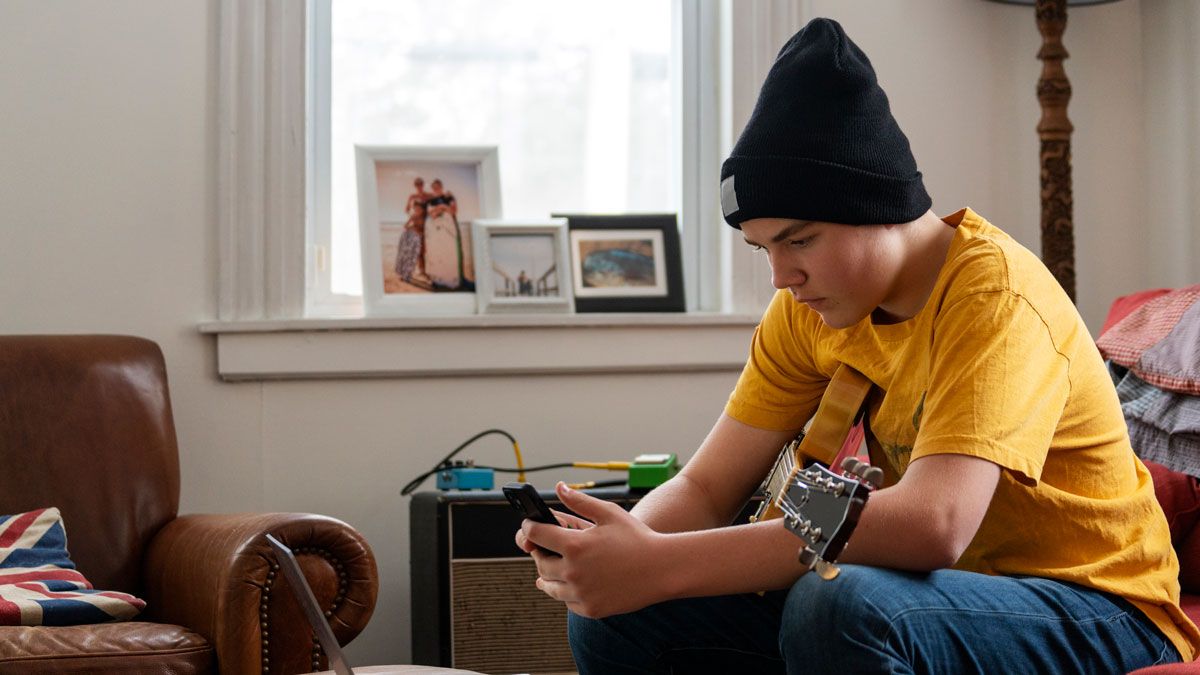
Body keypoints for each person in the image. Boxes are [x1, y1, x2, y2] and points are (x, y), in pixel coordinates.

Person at [514, 18, 1200, 674]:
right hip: (936, 594)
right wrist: (617, 552)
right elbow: (705, 486)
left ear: (879, 207)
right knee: (618, 614)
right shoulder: (807, 308)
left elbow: (934, 524)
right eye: (762, 248)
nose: (782, 276)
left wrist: (662, 564)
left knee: (838, 602)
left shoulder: (996, 296)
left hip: (1099, 606)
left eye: (800, 239)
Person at [424, 178, 474, 291]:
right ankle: (438, 280)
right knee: (437, 254)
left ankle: (452, 282)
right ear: (432, 188)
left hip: (449, 230)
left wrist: (442, 208)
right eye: (434, 187)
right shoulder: (430, 200)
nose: (436, 188)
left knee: (450, 253)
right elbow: (430, 214)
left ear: (441, 186)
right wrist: (441, 208)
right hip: (435, 231)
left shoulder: (449, 197)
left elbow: (453, 211)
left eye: (438, 186)